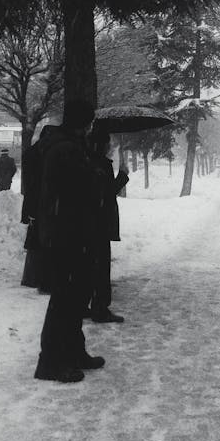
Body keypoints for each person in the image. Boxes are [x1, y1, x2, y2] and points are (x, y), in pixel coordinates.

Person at [34, 99, 104, 383]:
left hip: (72, 233)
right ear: (83, 124)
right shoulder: (66, 150)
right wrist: (97, 175)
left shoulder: (70, 147)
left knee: (75, 297)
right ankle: (50, 361)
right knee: (65, 299)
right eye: (89, 124)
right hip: (68, 235)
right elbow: (79, 191)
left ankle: (73, 351)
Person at [87, 127, 129, 323]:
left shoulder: (87, 160)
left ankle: (86, 305)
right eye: (108, 144)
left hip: (90, 224)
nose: (110, 147)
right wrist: (122, 177)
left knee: (89, 267)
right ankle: (100, 308)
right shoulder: (99, 164)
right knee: (101, 268)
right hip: (99, 224)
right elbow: (105, 193)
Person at [20, 125, 57, 292]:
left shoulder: (32, 152)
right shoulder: (47, 153)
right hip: (44, 202)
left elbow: (29, 181)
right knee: (44, 241)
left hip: (34, 202)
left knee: (36, 240)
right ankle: (43, 279)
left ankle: (32, 278)